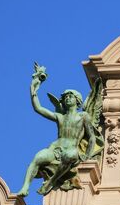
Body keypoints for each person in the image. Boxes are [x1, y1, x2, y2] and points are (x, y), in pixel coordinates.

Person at [17, 65, 96, 197]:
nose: (67, 99)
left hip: (72, 150)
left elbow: (92, 137)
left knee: (69, 156)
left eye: (70, 96)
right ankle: (25, 187)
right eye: (65, 97)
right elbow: (39, 108)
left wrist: (87, 157)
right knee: (37, 158)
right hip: (56, 148)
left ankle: (51, 182)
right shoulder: (60, 117)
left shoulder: (83, 116)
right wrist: (34, 88)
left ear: (77, 101)